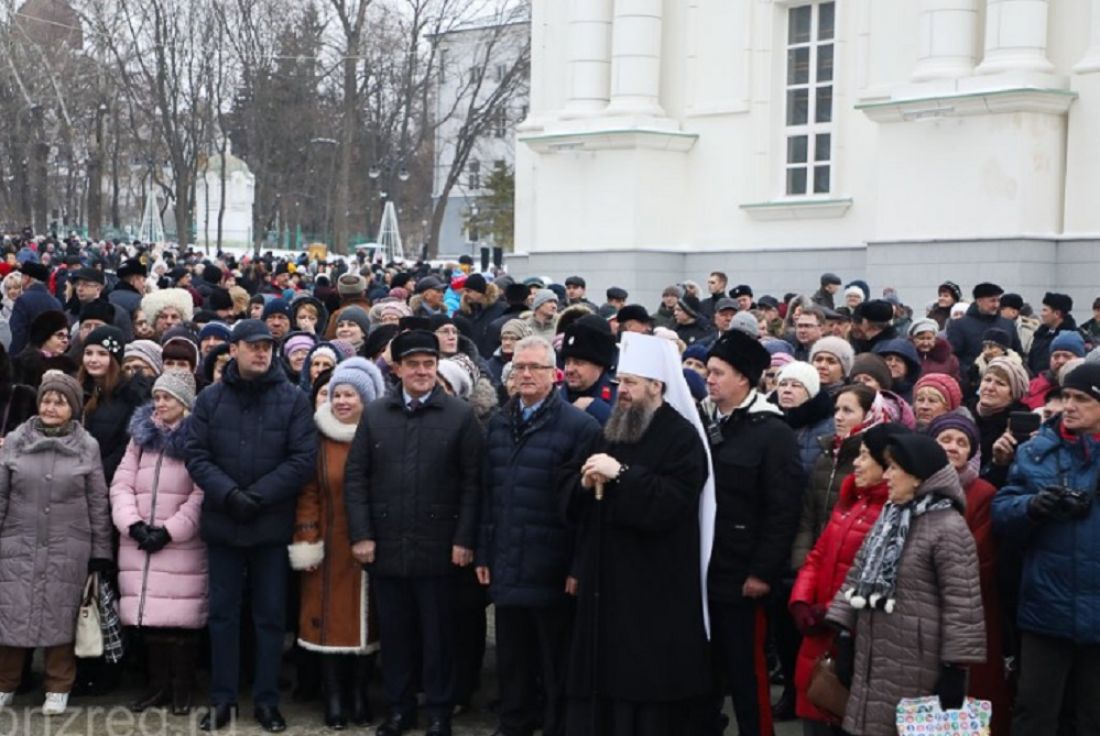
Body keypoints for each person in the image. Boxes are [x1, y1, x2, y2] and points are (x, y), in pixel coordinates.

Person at [564, 332, 713, 735]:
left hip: (653, 582)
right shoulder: (610, 428)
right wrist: (583, 481)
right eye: (619, 382)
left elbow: (674, 501)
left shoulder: (681, 437)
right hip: (604, 576)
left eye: (630, 383)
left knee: (643, 682)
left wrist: (623, 476)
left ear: (656, 385)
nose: (621, 391)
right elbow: (571, 491)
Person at [343, 330, 483, 736]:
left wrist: (464, 539)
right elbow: (357, 478)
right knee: (397, 634)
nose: (422, 371)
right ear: (398, 368)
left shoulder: (459, 415)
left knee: (439, 635)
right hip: (386, 544)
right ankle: (400, 708)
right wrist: (362, 535)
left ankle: (438, 710)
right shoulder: (376, 414)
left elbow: (474, 483)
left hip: (440, 547)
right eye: (414, 364)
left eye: (428, 364)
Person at [186, 319, 317, 733]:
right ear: (235, 349)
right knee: (223, 615)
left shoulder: (293, 399)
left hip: (270, 524)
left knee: (269, 616)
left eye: (267, 347)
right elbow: (196, 454)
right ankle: (223, 699)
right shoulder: (210, 398)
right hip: (224, 522)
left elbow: (301, 459)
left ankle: (266, 700)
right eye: (253, 346)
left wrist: (257, 496)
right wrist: (229, 495)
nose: (262, 353)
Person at [478, 335, 601, 736]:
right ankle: (515, 721)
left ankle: (556, 724)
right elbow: (487, 493)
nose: (526, 374)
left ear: (555, 375)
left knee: (554, 657)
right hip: (508, 558)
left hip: (552, 563)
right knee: (513, 655)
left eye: (535, 368)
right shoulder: (499, 421)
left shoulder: (579, 428)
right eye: (519, 367)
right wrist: (484, 552)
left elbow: (588, 510)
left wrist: (578, 566)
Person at [826, 433, 986, 736]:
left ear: (916, 476)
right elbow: (858, 574)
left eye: (893, 468)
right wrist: (844, 632)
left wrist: (956, 669)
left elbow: (963, 605)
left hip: (919, 662)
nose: (885, 476)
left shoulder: (949, 528)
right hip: (873, 653)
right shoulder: (891, 515)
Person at [703, 329, 803, 736]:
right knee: (705, 672)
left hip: (745, 577)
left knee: (748, 674)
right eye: (708, 371)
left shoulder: (772, 432)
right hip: (708, 569)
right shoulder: (708, 422)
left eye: (717, 372)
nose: (709, 379)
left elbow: (783, 510)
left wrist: (763, 572)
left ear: (743, 378)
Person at [993, 363, 1100, 735]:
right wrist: (1032, 507)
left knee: (1091, 717)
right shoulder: (1036, 451)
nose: (1068, 405)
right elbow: (1002, 512)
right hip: (1046, 607)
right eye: (1066, 396)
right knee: (1034, 712)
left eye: (1081, 399)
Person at [0, 371, 112, 715]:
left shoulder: (87, 446)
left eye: (59, 402)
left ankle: (58, 685)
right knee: (11, 614)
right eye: (46, 400)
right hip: (19, 540)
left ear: (73, 408)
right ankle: (5, 683)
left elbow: (97, 503)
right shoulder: (17, 440)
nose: (50, 407)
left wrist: (100, 553)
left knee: (61, 617)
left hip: (68, 546)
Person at [289, 358, 386, 729]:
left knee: (366, 622)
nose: (342, 401)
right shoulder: (318, 438)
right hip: (327, 543)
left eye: (351, 395)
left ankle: (358, 694)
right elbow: (308, 493)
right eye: (337, 394)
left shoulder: (379, 435)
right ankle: (332, 697)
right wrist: (307, 538)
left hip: (368, 544)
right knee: (326, 623)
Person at [788, 424, 901, 734]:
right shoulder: (851, 502)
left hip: (849, 635)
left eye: (866, 456)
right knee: (815, 711)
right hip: (819, 632)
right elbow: (818, 555)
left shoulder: (895, 517)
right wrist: (801, 601)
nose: (857, 463)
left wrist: (830, 612)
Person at [110, 370, 206, 716]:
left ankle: (182, 687)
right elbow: (121, 482)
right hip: (139, 541)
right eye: (158, 396)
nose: (160, 403)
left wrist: (170, 530)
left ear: (184, 402)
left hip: (180, 544)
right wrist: (132, 524)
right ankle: (157, 686)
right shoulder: (140, 437)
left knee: (180, 621)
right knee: (150, 620)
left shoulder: (197, 437)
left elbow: (201, 492)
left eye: (168, 397)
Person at [928, 412, 1010, 734]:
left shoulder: (983, 492)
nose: (952, 447)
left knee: (968, 696)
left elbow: (978, 556)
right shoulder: (914, 485)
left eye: (962, 443)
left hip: (969, 611)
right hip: (921, 608)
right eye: (945, 439)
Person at [792, 384, 885, 568]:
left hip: (849, 569)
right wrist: (802, 562)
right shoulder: (827, 455)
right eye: (837, 410)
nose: (838, 417)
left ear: (869, 415)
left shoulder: (878, 462)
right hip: (814, 564)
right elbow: (808, 518)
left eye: (847, 411)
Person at [79, 326, 151, 485]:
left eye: (102, 354)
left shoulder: (131, 396)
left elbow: (125, 446)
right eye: (88, 353)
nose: (93, 359)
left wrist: (97, 475)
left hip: (109, 480)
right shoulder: (80, 390)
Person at [947, 283, 1022, 380]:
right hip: (972, 384)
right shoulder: (959, 325)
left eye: (998, 300)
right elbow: (953, 357)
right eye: (992, 301)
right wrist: (970, 373)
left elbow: (1018, 352)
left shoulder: (1008, 324)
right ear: (979, 301)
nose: (996, 305)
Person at [773, 361, 834, 478]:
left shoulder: (827, 428)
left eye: (796, 385)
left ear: (810, 392)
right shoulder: (765, 418)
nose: (787, 390)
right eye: (783, 384)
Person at [560, 317, 618, 426]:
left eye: (579, 363)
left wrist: (596, 408)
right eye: (567, 362)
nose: (570, 369)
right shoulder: (553, 396)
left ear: (599, 366)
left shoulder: (620, 398)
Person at [9, 261, 62, 355]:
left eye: (22, 276)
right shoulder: (56, 302)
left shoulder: (23, 300)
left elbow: (18, 333)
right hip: (50, 356)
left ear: (27, 278)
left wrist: (13, 358)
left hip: (28, 358)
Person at [1023, 330, 1085, 409]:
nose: (1060, 361)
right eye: (1056, 356)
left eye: (1067, 356)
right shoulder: (1032, 388)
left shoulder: (1088, 390)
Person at [1027, 292, 1079, 377]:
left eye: (1045, 310)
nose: (1042, 314)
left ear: (1057, 314)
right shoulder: (1040, 334)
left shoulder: (1070, 338)